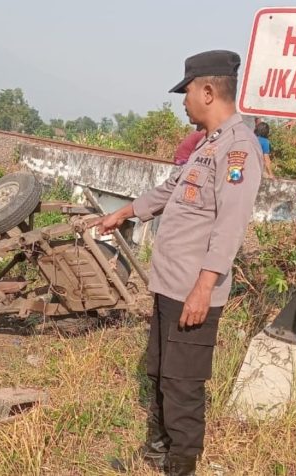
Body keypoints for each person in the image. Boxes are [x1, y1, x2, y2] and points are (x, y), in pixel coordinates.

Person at [101, 50, 263, 476]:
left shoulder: (238, 150)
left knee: (183, 384)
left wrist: (204, 287)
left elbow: (229, 227)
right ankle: (158, 452)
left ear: (208, 91)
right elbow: (171, 189)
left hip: (193, 291)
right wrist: (124, 212)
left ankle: (181, 466)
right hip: (169, 285)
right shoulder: (206, 145)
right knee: (159, 373)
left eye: (187, 91)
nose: (183, 101)